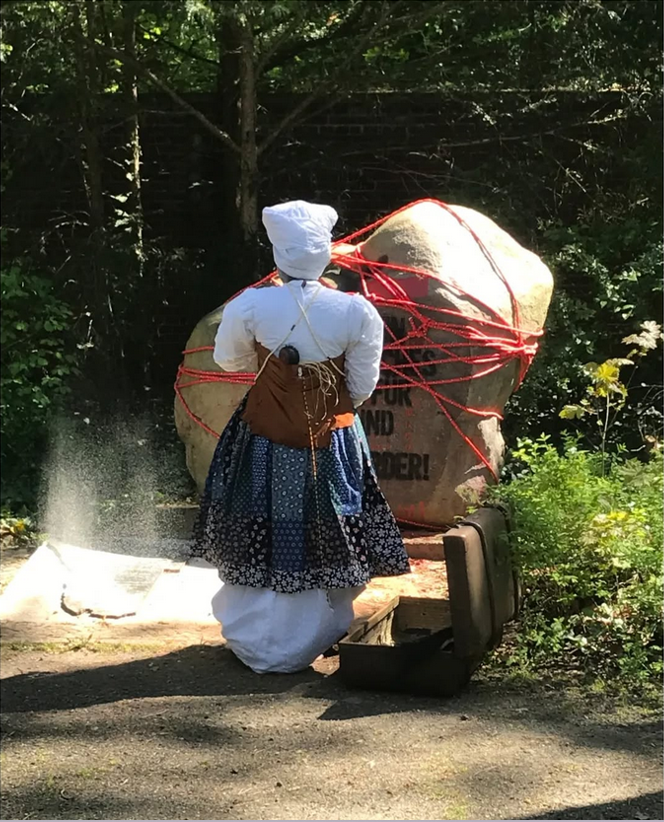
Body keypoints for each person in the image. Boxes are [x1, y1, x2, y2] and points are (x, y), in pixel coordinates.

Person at [191, 200, 410, 673]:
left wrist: (279, 374)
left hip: (264, 433)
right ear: (326, 253)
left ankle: (258, 638)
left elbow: (229, 361)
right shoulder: (356, 311)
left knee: (261, 526)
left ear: (278, 252)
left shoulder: (250, 304)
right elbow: (362, 385)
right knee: (327, 525)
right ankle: (317, 630)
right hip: (331, 437)